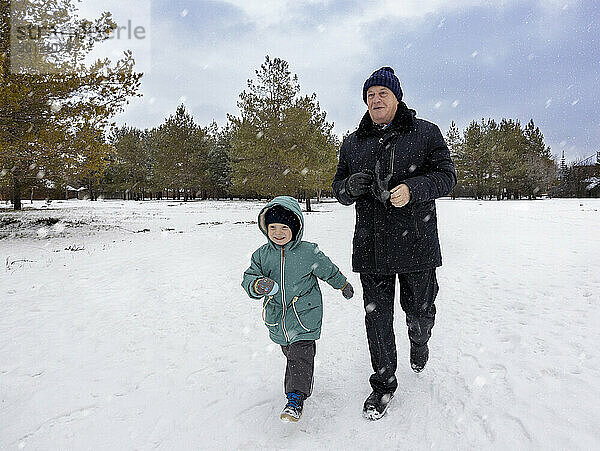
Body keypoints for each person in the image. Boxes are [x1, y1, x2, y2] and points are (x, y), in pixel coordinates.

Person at [332, 67, 456, 420]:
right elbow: (338, 186)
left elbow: (447, 177)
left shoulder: (425, 133)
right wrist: (348, 189)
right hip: (371, 247)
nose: (375, 100)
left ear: (397, 97)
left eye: (381, 94)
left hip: (416, 243)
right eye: (369, 95)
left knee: (419, 312)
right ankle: (384, 384)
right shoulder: (354, 141)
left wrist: (412, 189)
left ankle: (420, 339)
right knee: (377, 321)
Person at [242, 195, 354, 422]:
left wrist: (342, 284)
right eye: (273, 227)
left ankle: (295, 398)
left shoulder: (308, 252)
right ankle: (297, 386)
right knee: (290, 353)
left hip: (304, 316)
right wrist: (257, 284)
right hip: (278, 319)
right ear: (266, 228)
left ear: (296, 227)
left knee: (300, 356)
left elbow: (328, 270)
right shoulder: (262, 255)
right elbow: (249, 278)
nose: (278, 232)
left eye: (284, 227)